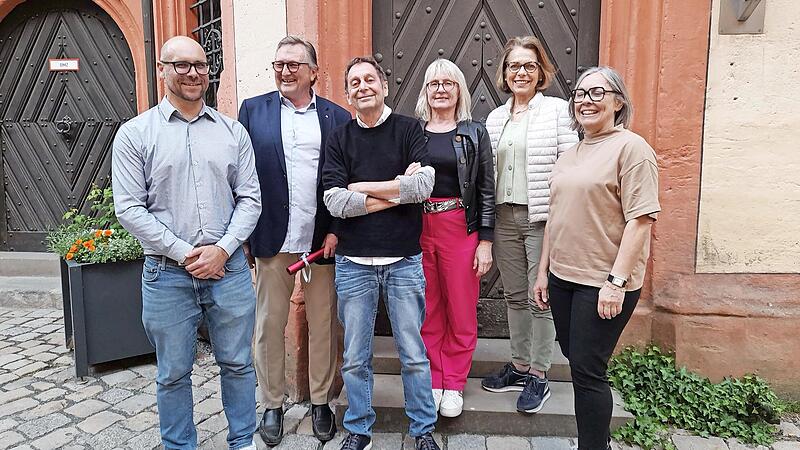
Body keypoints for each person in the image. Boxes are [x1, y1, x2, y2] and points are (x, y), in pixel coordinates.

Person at [112, 36, 261, 450]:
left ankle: (243, 442)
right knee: (173, 372)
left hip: (227, 269)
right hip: (166, 275)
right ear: (162, 70)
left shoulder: (233, 132)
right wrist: (186, 253)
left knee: (237, 363)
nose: (194, 73)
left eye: (200, 64)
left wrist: (224, 249)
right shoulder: (135, 134)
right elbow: (129, 208)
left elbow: (250, 198)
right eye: (182, 65)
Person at [533, 66, 660, 450]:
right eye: (579, 95)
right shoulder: (571, 152)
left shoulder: (632, 148)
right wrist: (543, 274)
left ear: (618, 101)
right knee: (577, 361)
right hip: (563, 278)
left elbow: (641, 220)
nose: (585, 101)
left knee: (589, 372)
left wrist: (616, 283)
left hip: (602, 282)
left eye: (597, 93)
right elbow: (555, 218)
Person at [322, 56, 441, 450]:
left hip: (403, 260)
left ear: (384, 85)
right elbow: (334, 201)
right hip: (354, 263)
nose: (363, 87)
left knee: (413, 355)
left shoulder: (409, 129)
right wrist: (395, 191)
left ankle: (423, 430)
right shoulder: (339, 138)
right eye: (354, 82)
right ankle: (359, 428)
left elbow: (423, 187)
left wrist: (363, 188)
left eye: (369, 79)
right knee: (355, 357)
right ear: (348, 93)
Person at [237, 35, 351, 446]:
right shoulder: (253, 111)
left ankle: (321, 400)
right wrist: (245, 233)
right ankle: (271, 404)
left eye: (294, 64)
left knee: (324, 324)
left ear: (313, 72)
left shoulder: (337, 117)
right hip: (272, 239)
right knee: (268, 325)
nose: (284, 71)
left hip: (322, 241)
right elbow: (241, 176)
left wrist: (338, 228)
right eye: (279, 63)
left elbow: (344, 178)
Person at [480, 36, 579, 414]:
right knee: (514, 294)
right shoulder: (495, 117)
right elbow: (487, 171)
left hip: (541, 218)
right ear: (504, 74)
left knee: (542, 298)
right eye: (514, 66)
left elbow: (568, 169)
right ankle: (520, 366)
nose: (521, 72)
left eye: (529, 66)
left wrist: (559, 217)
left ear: (541, 73)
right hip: (503, 217)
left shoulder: (556, 112)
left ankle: (540, 374)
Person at [414, 59, 494, 418]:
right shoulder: (413, 132)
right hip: (419, 227)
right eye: (434, 84)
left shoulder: (474, 132)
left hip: (461, 227)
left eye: (449, 83)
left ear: (459, 90)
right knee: (428, 308)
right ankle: (433, 379)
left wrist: (486, 241)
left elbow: (486, 189)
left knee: (461, 309)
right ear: (426, 91)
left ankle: (455, 383)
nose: (441, 89)